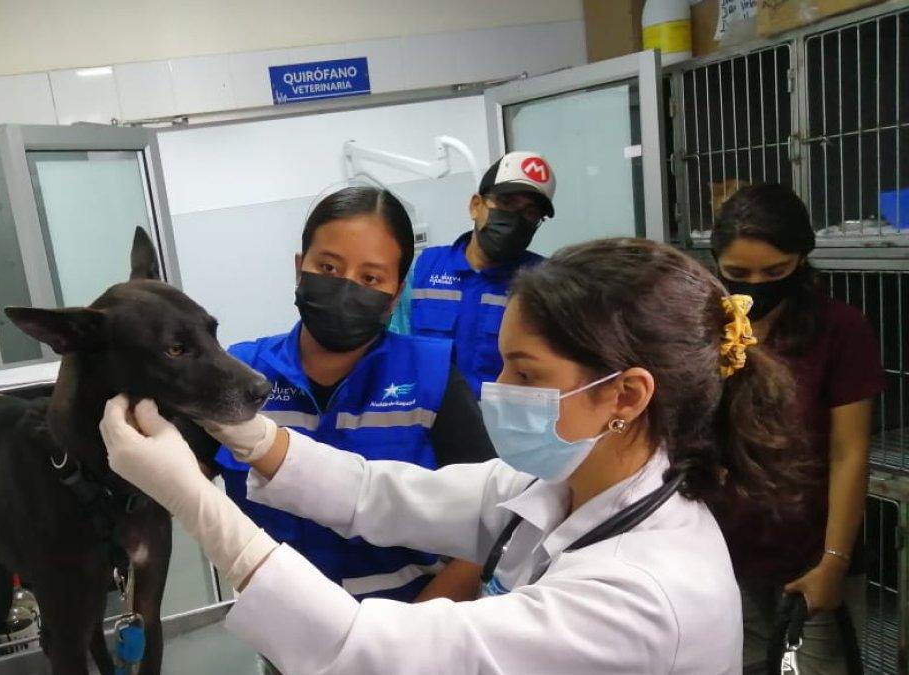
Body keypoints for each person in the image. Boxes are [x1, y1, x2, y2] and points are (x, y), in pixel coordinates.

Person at [102, 237, 810, 674]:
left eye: (526, 373)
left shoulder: (644, 593)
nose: (496, 388)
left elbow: (373, 651)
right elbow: (378, 493)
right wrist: (250, 437)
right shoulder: (556, 481)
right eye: (502, 363)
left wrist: (195, 501)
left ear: (624, 394)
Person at [211, 186, 497, 604]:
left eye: (370, 278)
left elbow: (487, 527)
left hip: (412, 627)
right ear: (299, 268)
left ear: (395, 295)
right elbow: (171, 477)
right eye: (328, 267)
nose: (346, 289)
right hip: (282, 629)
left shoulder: (432, 378)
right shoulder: (239, 375)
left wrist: (405, 633)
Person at [709, 184, 883, 674]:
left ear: (801, 259)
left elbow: (849, 452)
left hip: (811, 550)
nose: (757, 286)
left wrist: (834, 561)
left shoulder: (840, 329)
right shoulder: (705, 327)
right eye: (738, 274)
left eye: (775, 272)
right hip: (720, 551)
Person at [389, 151, 556, 397]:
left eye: (530, 213)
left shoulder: (544, 282)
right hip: (426, 412)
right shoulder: (424, 268)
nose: (515, 220)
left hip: (499, 418)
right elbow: (395, 347)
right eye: (506, 203)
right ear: (476, 206)